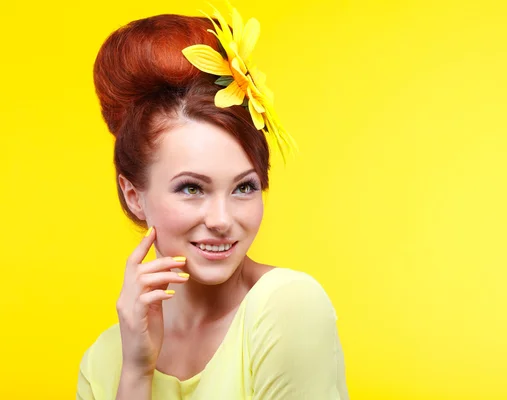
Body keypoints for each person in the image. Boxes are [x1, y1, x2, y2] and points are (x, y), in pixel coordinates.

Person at [76, 5, 349, 400]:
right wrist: (135, 372)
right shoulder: (104, 362)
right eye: (191, 188)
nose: (222, 220)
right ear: (134, 196)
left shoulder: (288, 306)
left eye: (243, 187)